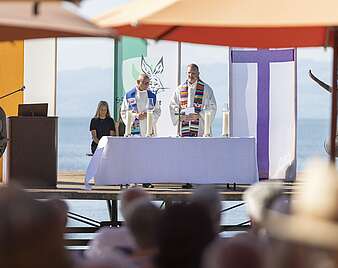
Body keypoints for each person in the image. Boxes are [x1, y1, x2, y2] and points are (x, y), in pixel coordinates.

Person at [169, 64, 217, 137]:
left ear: (198, 74)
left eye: (193, 73)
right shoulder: (179, 89)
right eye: (189, 73)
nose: (190, 75)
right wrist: (180, 116)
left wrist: (199, 115)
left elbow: (212, 108)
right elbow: (173, 106)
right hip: (184, 129)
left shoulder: (206, 89)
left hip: (200, 129)